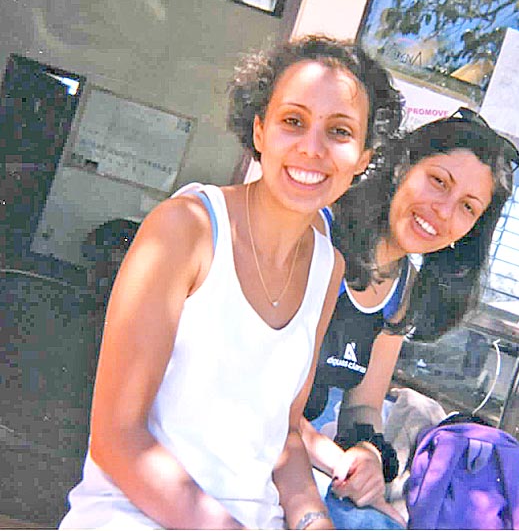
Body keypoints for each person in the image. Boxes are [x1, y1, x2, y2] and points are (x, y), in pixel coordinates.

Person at [59, 35, 403, 530]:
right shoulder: (187, 227)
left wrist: (312, 520)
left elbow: (284, 433)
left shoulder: (328, 269)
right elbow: (117, 438)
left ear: (364, 157)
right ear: (259, 130)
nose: (312, 148)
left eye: (339, 131)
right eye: (293, 121)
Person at [300, 108, 519, 527]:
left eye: (468, 207)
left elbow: (363, 405)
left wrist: (367, 453)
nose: (444, 211)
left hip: (306, 458)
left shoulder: (402, 289)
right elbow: (258, 389)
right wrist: (335, 459)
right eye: (438, 181)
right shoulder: (314, 233)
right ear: (403, 165)